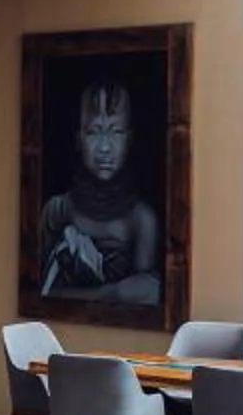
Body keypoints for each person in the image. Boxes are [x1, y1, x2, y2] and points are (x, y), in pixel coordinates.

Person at [37, 79, 161, 305]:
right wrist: (113, 294)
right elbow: (40, 292)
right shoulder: (57, 211)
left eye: (116, 132)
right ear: (78, 139)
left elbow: (148, 295)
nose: (105, 147)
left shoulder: (141, 219)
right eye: (94, 132)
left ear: (129, 139)